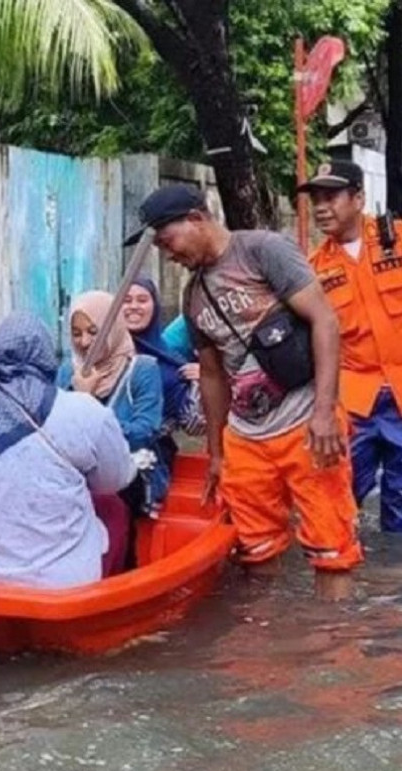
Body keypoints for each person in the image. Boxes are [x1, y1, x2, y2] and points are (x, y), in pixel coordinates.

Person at [125, 182, 363, 600]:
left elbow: (325, 321)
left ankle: (334, 649)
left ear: (196, 219)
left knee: (332, 548)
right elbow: (213, 375)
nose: (169, 254)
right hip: (246, 438)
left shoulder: (263, 251)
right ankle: (265, 650)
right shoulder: (193, 295)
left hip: (305, 422)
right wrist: (217, 453)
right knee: (255, 552)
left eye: (168, 241)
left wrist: (324, 413)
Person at [0, 313, 135, 588]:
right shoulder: (84, 410)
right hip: (58, 582)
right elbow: (114, 480)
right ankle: (108, 598)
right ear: (46, 358)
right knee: (113, 508)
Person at [299, 160, 402, 532]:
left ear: (358, 198)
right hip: (352, 404)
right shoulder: (310, 269)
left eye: (331, 197)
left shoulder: (400, 240)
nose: (322, 207)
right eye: (316, 200)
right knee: (339, 502)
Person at [58, 290, 169, 516]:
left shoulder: (142, 370)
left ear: (113, 329)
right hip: (79, 469)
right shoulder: (68, 371)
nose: (85, 342)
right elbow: (55, 429)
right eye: (76, 334)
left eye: (93, 332)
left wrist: (86, 404)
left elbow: (144, 432)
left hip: (128, 472)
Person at [123, 277, 205, 438]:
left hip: (152, 456)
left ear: (155, 307)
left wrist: (206, 381)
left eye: (142, 300)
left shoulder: (170, 361)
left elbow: (194, 425)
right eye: (126, 300)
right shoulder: (100, 356)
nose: (134, 306)